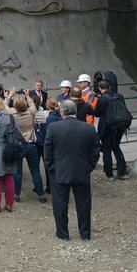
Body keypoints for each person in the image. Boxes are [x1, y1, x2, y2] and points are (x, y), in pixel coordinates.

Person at [44, 100, 100, 241]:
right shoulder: (89, 128)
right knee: (84, 203)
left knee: (60, 203)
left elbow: (48, 151)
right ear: (75, 111)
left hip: (60, 171)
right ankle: (85, 233)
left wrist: (51, 168)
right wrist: (89, 166)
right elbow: (95, 151)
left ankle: (63, 233)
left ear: (62, 111)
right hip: (82, 170)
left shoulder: (53, 127)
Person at [94, 79, 132, 181]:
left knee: (107, 150)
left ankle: (109, 175)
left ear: (99, 88)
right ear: (109, 87)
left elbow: (97, 113)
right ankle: (122, 172)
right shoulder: (119, 96)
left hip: (107, 127)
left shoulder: (102, 99)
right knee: (116, 147)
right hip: (120, 126)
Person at [12, 95, 46, 203]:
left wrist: (9, 95)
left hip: (17, 144)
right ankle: (41, 194)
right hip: (30, 144)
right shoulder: (31, 113)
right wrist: (28, 97)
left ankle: (17, 194)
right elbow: (33, 105)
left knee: (17, 171)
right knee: (35, 170)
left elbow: (4, 105)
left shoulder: (12, 114)